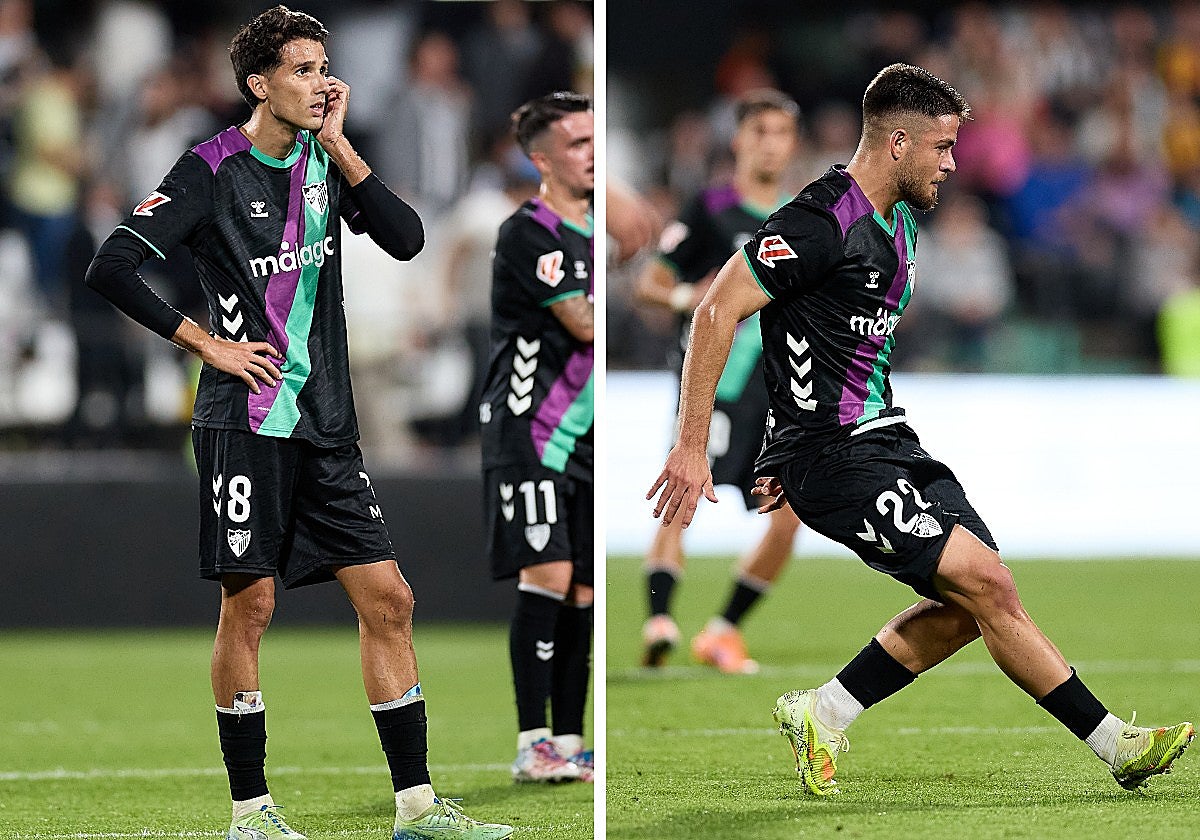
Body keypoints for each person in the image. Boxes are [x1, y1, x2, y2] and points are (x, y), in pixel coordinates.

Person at [647, 63, 1193, 797]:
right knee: (986, 581)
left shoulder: (900, 222)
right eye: (941, 147)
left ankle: (822, 711)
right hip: (834, 456)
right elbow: (719, 309)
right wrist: (696, 443)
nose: (952, 162)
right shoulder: (817, 220)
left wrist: (783, 428)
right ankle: (1116, 746)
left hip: (889, 438)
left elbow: (833, 340)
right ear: (897, 140)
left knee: (977, 604)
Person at [84, 7, 512, 839]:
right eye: (306, 70)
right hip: (244, 422)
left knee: (389, 599)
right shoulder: (209, 168)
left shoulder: (324, 158)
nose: (323, 83)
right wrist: (206, 343)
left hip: (326, 422)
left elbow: (407, 238)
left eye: (326, 67)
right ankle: (251, 812)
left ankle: (417, 809)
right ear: (259, 83)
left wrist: (345, 145)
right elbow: (113, 265)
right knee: (249, 609)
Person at [636, 90, 803, 674]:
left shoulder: (801, 217)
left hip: (778, 392)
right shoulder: (707, 209)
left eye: (782, 133)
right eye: (760, 131)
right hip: (717, 384)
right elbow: (650, 284)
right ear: (738, 139)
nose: (770, 143)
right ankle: (659, 617)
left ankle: (723, 630)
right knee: (683, 498)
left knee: (788, 515)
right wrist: (696, 297)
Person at [480, 92, 594, 783]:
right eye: (578, 142)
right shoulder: (529, 232)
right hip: (530, 427)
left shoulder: (597, 228)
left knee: (582, 589)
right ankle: (532, 740)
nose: (592, 152)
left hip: (579, 436)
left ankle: (571, 743)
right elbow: (583, 323)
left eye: (594, 139)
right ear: (541, 157)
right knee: (547, 573)